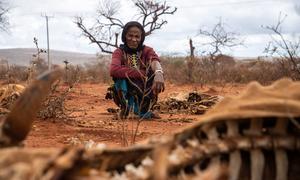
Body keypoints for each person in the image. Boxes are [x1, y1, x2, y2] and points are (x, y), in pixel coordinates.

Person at [109, 21, 165, 119]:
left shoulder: (147, 51)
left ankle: (144, 110)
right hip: (126, 94)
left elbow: (154, 61)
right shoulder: (119, 52)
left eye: (137, 36)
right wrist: (143, 73)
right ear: (124, 37)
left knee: (155, 74)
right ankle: (127, 109)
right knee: (119, 78)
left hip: (145, 94)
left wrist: (159, 72)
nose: (134, 39)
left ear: (141, 38)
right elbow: (114, 70)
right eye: (130, 35)